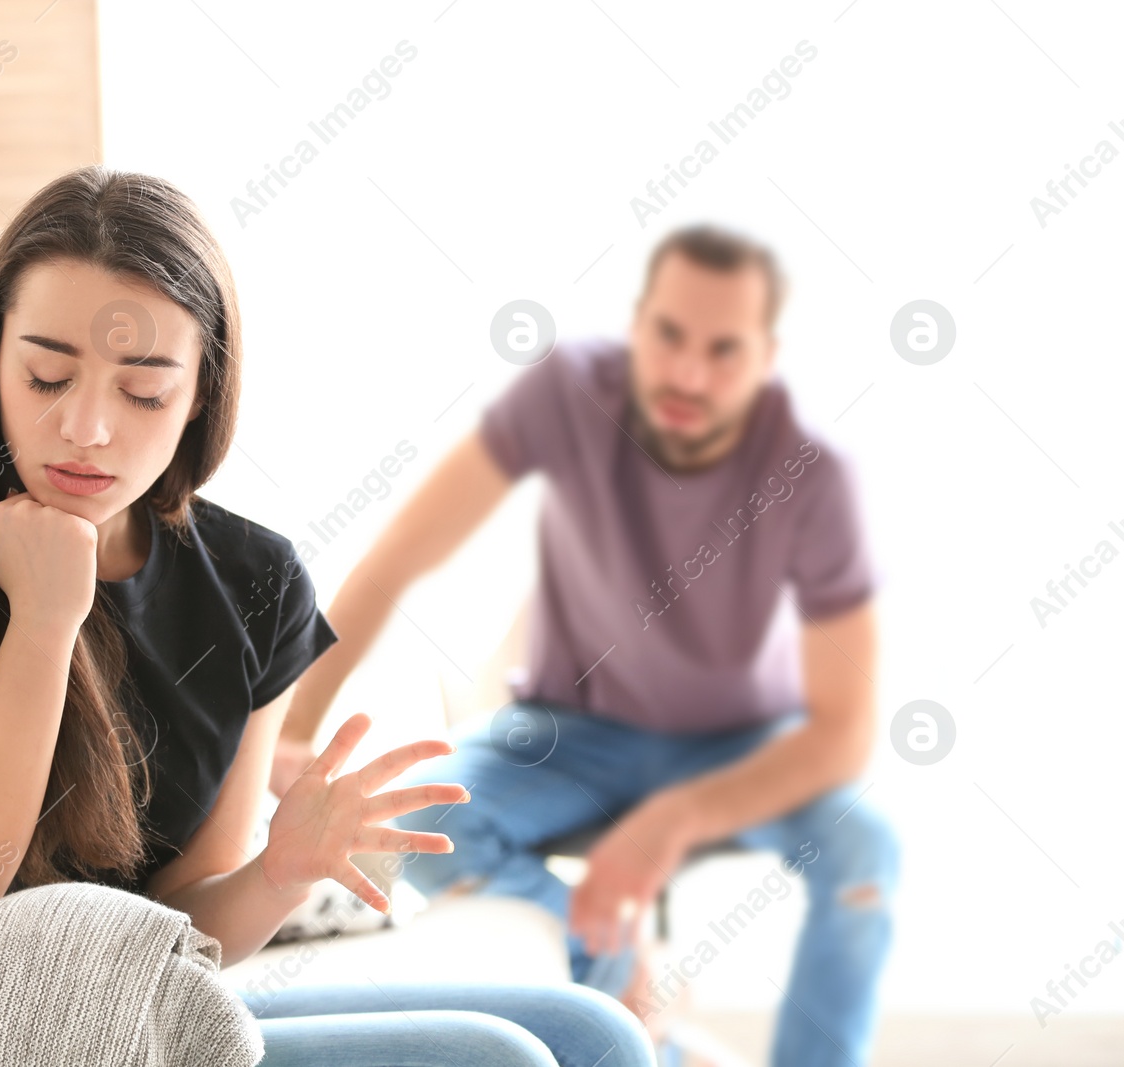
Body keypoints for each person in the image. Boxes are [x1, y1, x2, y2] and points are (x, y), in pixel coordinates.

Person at [0, 165, 653, 1067]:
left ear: (199, 395)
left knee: (595, 1030)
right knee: (498, 1060)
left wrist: (278, 871)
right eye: (44, 376)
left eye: (143, 391)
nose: (85, 427)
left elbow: (187, 924)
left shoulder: (254, 579)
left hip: (141, 1024)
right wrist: (43, 620)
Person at [269, 225, 899, 1067]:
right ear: (639, 322)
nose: (687, 374)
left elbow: (845, 733)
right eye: (670, 335)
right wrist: (295, 726)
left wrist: (666, 827)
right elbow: (398, 560)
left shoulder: (816, 472)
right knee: (408, 810)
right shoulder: (567, 392)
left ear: (766, 357)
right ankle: (645, 1019)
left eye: (723, 350)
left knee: (866, 849)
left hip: (739, 744)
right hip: (567, 730)